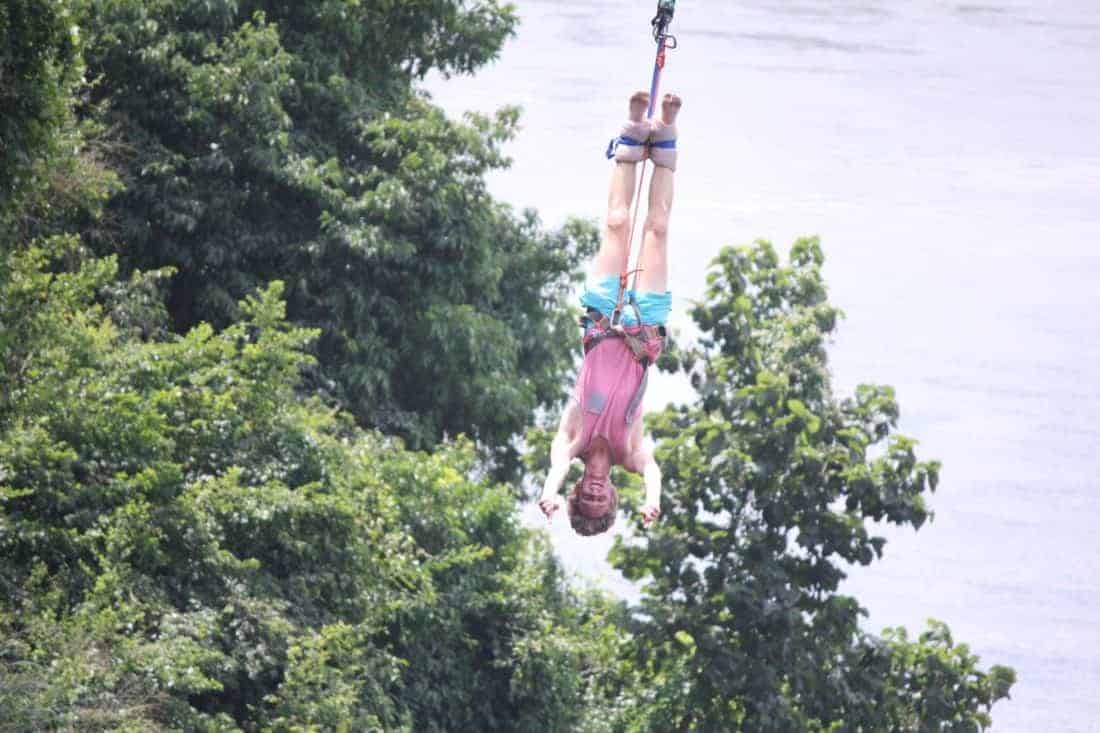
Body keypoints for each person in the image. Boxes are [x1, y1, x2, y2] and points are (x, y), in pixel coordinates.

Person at [538, 90, 681, 536]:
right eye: (603, 500)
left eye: (588, 497)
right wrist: (654, 501)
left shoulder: (574, 442)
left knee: (617, 222)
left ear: (578, 491)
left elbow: (557, 461)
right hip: (642, 332)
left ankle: (633, 127)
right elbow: (654, 472)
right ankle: (669, 132)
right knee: (656, 229)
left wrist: (549, 492)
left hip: (601, 324)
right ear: (613, 495)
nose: (596, 492)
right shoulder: (630, 454)